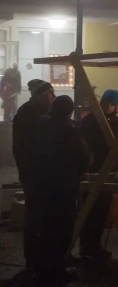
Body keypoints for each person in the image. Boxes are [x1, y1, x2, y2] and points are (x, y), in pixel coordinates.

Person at [34, 95, 90, 283]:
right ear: (70, 111)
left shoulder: (42, 129)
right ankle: (57, 270)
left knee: (47, 228)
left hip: (45, 186)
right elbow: (83, 157)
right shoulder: (70, 131)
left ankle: (43, 269)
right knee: (62, 230)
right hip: (65, 187)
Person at [12, 79, 55, 277]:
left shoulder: (39, 114)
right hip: (34, 175)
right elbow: (25, 149)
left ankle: (42, 257)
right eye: (49, 94)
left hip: (40, 174)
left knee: (43, 216)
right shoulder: (28, 115)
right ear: (39, 95)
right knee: (35, 217)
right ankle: (33, 261)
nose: (52, 98)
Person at [80, 89, 118, 260]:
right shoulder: (90, 120)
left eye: (112, 104)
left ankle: (94, 244)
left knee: (102, 209)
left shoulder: (117, 122)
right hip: (92, 169)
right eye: (107, 102)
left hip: (108, 170)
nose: (109, 106)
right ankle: (86, 245)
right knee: (89, 208)